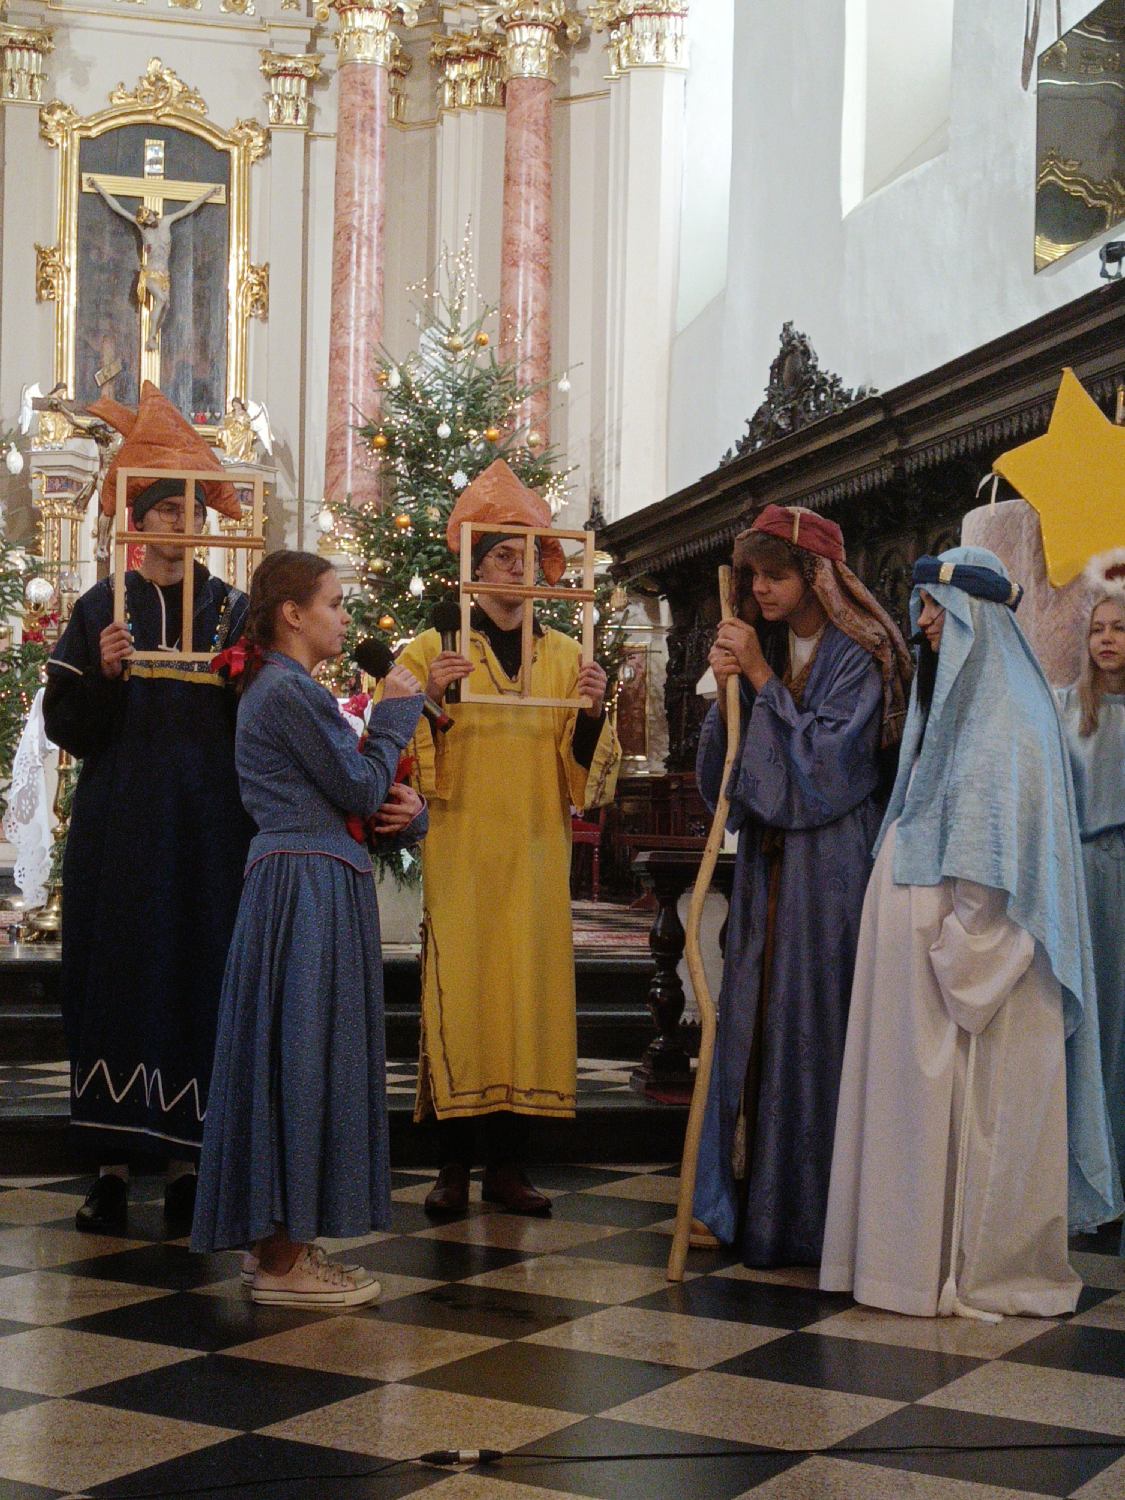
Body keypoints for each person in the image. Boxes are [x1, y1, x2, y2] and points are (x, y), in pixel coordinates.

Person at [821, 547, 1123, 1320]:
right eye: (920, 606)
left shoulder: (1006, 722)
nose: (921, 623)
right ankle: (900, 1265)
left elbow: (995, 876)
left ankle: (949, 1266)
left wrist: (959, 959)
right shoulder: (964, 712)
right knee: (909, 1121)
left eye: (934, 608)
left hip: (966, 978)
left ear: (973, 620)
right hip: (926, 967)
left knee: (963, 1122)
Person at [191, 551, 426, 1307]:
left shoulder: (283, 688)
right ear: (292, 614)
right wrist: (393, 715)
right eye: (334, 603)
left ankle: (279, 1244)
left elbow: (348, 798)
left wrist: (406, 812)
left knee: (297, 1053)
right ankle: (284, 1259)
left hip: (306, 878)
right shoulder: (287, 690)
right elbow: (356, 785)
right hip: (306, 890)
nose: (345, 617)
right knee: (304, 1054)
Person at [44, 390, 252, 1235]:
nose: (182, 523)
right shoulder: (102, 607)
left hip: (207, 835)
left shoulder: (233, 610)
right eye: (168, 510)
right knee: (114, 981)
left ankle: (187, 1169)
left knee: (197, 978)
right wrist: (103, 676)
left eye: (192, 510)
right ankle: (108, 1171)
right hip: (121, 831)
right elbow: (67, 727)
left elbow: (254, 722)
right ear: (139, 521)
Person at [397, 460, 621, 1216]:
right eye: (501, 554)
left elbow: (585, 779)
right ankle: (451, 1168)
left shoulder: (565, 656)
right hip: (462, 853)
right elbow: (396, 756)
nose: (517, 567)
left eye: (527, 553)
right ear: (472, 562)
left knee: (526, 1002)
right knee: (461, 1000)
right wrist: (428, 699)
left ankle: (508, 1165)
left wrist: (592, 713)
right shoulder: (431, 649)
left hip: (532, 851)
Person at [690, 504, 912, 1268]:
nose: (759, 589)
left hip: (830, 868)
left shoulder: (861, 651)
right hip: (770, 867)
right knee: (754, 1025)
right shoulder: (774, 645)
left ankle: (814, 1219)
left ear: (817, 576)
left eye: (775, 575)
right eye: (751, 576)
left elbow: (828, 768)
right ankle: (746, 1201)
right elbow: (724, 774)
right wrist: (727, 694)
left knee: (813, 1026)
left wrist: (757, 677)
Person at [1057, 594, 1125, 1207]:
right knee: (1084, 1016)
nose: (1107, 639)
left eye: (1120, 628)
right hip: (1079, 874)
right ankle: (1081, 1175)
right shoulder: (1066, 707)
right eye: (1098, 629)